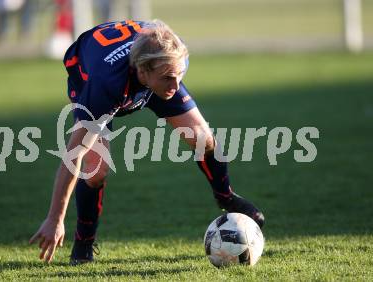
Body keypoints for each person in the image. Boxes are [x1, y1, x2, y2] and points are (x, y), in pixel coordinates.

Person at [29, 20, 265, 264]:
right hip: (89, 73)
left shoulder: (172, 58)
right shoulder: (105, 86)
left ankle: (225, 197)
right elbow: (73, 155)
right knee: (96, 170)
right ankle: (84, 242)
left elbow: (169, 71)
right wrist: (55, 219)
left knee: (202, 138)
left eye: (179, 75)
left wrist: (169, 76)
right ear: (142, 72)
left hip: (146, 74)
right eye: (169, 78)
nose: (176, 85)